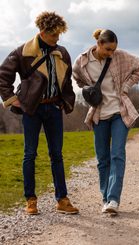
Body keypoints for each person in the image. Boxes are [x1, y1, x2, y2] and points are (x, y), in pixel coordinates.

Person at [0, 12, 78, 215]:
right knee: (29, 154)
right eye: (54, 35)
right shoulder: (23, 52)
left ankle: (62, 199)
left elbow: (67, 80)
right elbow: (3, 76)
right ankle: (31, 200)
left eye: (60, 34)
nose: (58, 39)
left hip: (53, 109)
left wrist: (64, 101)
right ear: (43, 32)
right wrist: (12, 99)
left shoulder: (62, 52)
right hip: (32, 110)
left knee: (57, 155)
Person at [72, 29, 139, 215]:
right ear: (98, 44)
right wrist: (88, 91)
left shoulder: (119, 57)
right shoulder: (82, 61)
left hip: (119, 112)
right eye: (107, 49)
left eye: (113, 49)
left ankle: (113, 199)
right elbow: (76, 78)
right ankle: (105, 198)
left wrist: (126, 86)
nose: (111, 53)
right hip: (99, 114)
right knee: (102, 159)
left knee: (117, 155)